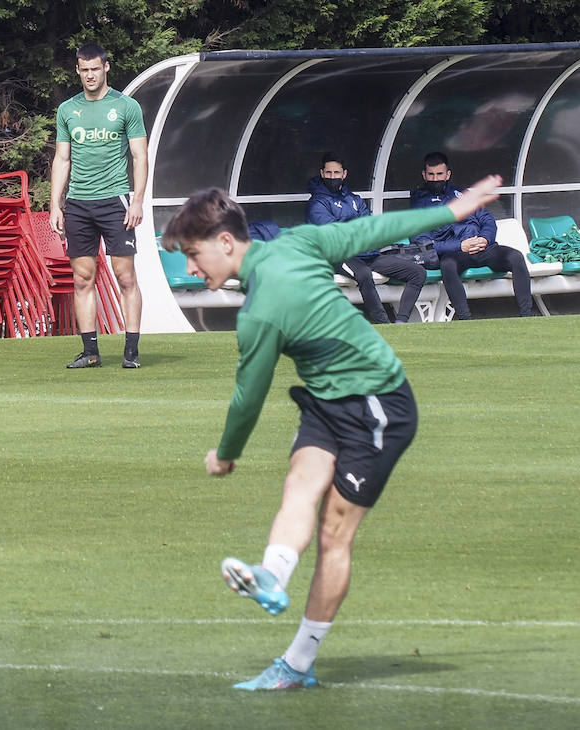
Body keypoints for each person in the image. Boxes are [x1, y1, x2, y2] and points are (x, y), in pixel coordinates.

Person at [160, 174, 504, 690]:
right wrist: (455, 209)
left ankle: (297, 664)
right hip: (325, 399)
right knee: (300, 483)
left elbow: (247, 397)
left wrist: (226, 455)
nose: (189, 266)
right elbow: (376, 228)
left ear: (225, 242)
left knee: (333, 534)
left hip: (378, 405)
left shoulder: (259, 315)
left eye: (192, 253)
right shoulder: (299, 242)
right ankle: (273, 575)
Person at [50, 42, 149, 369]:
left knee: (125, 276)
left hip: (116, 201)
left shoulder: (126, 106)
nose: (90, 75)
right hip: (78, 204)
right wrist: (55, 205)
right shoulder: (67, 110)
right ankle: (90, 351)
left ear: (106, 67)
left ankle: (131, 351)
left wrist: (137, 200)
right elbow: (62, 159)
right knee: (82, 278)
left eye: (96, 69)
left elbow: (140, 156)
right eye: (84, 70)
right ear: (77, 70)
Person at [306, 151, 426, 324]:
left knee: (417, 272)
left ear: (344, 174)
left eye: (337, 173)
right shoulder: (317, 202)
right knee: (364, 274)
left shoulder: (355, 199)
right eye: (329, 173)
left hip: (367, 254)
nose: (333, 177)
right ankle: (383, 323)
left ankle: (400, 322)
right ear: (322, 173)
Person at [409, 151, 532, 319]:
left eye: (439, 174)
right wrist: (460, 246)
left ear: (448, 174)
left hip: (482, 247)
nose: (436, 179)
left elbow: (487, 219)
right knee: (448, 266)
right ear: (424, 175)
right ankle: (465, 319)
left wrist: (485, 239)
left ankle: (527, 316)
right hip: (455, 253)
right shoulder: (419, 204)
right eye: (431, 174)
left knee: (516, 257)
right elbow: (422, 242)